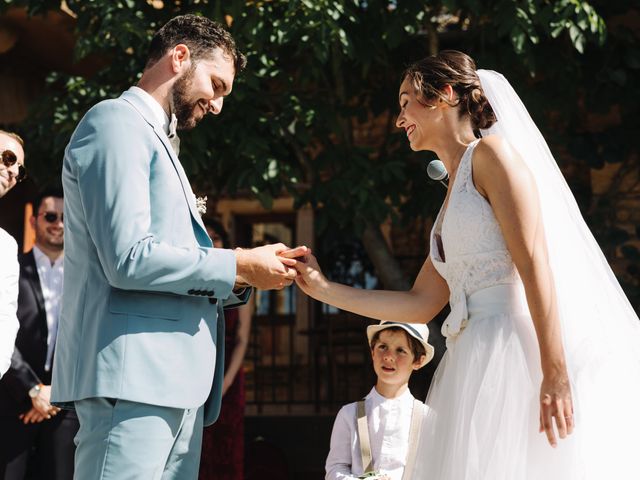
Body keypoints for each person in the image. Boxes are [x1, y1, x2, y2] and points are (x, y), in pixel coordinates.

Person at [294, 50, 640, 479]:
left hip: (511, 354)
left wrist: (555, 372)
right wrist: (322, 289)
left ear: (444, 94)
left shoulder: (493, 156)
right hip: (468, 358)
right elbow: (421, 303)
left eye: (406, 103)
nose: (400, 119)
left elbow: (535, 266)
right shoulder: (449, 197)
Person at [50, 15, 307, 480]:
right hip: (131, 378)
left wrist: (249, 274)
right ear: (180, 56)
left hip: (176, 386)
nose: (218, 105)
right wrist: (238, 264)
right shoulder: (114, 122)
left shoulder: (162, 143)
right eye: (217, 84)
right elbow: (128, 258)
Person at [0, 187, 79, 480]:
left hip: (64, 406)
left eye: (64, 218)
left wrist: (54, 393)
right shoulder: (10, 267)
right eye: (49, 216)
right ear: (33, 221)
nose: (58, 224)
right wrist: (32, 390)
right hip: (12, 401)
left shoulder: (85, 278)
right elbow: (1, 329)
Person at [325, 321, 432, 480]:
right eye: (383, 347)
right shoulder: (349, 414)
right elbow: (335, 469)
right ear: (372, 352)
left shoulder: (427, 418)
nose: (389, 356)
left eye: (401, 350)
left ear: (418, 361)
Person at [198, 218, 251, 480]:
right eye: (204, 236)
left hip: (229, 369)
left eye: (215, 237)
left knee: (227, 443)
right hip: (196, 371)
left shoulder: (239, 281)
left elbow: (243, 338)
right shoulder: (191, 281)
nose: (211, 241)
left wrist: (226, 380)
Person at [0, 130, 26, 379]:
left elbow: (6, 319)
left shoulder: (6, 246)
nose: (14, 172)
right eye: (8, 158)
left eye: (20, 169)